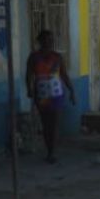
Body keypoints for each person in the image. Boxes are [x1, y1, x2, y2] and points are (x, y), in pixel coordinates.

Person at [26, 30, 75, 164]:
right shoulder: (34, 57)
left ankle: (51, 152)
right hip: (41, 95)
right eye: (46, 40)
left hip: (57, 94)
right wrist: (29, 89)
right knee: (46, 124)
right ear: (40, 41)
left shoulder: (57, 57)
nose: (49, 42)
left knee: (54, 124)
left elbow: (64, 75)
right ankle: (49, 150)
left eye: (51, 40)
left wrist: (72, 91)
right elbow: (29, 75)